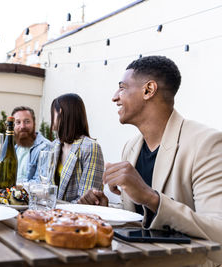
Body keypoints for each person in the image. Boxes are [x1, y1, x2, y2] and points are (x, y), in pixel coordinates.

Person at [79, 55, 222, 264]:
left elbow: (218, 231)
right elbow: (141, 222)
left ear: (148, 90)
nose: (114, 97)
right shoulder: (130, 147)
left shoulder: (206, 143)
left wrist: (151, 197)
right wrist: (105, 210)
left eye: (122, 88)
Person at [50, 93, 104, 202]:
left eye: (52, 112)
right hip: (50, 213)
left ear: (60, 112)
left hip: (75, 216)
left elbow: (86, 200)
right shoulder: (55, 145)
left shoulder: (90, 147)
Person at [12, 106, 51, 183]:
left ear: (34, 123)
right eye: (18, 122)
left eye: (27, 121)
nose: (22, 126)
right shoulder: (15, 148)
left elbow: (40, 182)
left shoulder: (45, 147)